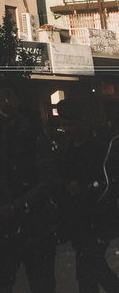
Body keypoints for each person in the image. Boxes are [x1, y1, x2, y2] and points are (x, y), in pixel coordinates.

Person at [0, 76, 58, 293]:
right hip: (3, 226)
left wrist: (19, 204)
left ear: (14, 101)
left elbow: (48, 180)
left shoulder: (32, 133)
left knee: (42, 284)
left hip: (35, 226)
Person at [55, 99, 119, 292]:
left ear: (81, 121)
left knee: (88, 268)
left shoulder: (100, 146)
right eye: (64, 125)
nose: (67, 129)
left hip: (96, 218)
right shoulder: (66, 149)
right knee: (93, 266)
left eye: (71, 124)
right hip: (79, 219)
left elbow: (108, 182)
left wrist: (84, 188)